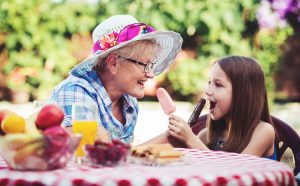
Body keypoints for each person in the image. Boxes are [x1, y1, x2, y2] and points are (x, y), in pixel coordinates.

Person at [49, 15, 183, 143]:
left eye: (151, 65)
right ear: (113, 63)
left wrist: (173, 136)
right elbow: (93, 156)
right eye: (145, 65)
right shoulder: (76, 91)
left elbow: (120, 159)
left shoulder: (130, 103)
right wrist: (168, 138)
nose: (151, 75)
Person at [167, 56, 276, 159]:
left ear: (243, 93)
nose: (207, 91)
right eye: (209, 82)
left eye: (218, 84)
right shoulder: (206, 136)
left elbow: (235, 173)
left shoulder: (263, 131)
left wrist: (190, 139)